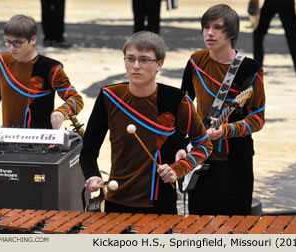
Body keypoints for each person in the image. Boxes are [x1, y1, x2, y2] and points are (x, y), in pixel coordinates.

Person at [80, 31, 212, 214]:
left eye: (144, 60)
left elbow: (204, 144)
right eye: (130, 59)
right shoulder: (109, 97)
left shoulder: (176, 100)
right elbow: (89, 149)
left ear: (159, 64)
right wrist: (92, 175)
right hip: (117, 200)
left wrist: (179, 168)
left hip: (161, 204)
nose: (135, 66)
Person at [181, 4, 266, 215]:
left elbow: (257, 118)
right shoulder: (196, 61)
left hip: (236, 163)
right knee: (197, 225)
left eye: (217, 27)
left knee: (235, 226)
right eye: (206, 27)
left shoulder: (250, 69)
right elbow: (182, 106)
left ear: (232, 33)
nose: (209, 33)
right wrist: (180, 143)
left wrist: (226, 131)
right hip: (201, 156)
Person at [0, 15, 83, 129]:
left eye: (17, 43)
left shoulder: (51, 68)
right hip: (9, 137)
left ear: (33, 39)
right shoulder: (3, 62)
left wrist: (62, 112)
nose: (12, 48)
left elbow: (76, 99)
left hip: (41, 140)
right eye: (8, 42)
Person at [249, 0, 296, 76]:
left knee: (258, 34)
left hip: (272, 3)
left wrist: (253, 2)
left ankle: (256, 68)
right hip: (286, 3)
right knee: (292, 36)